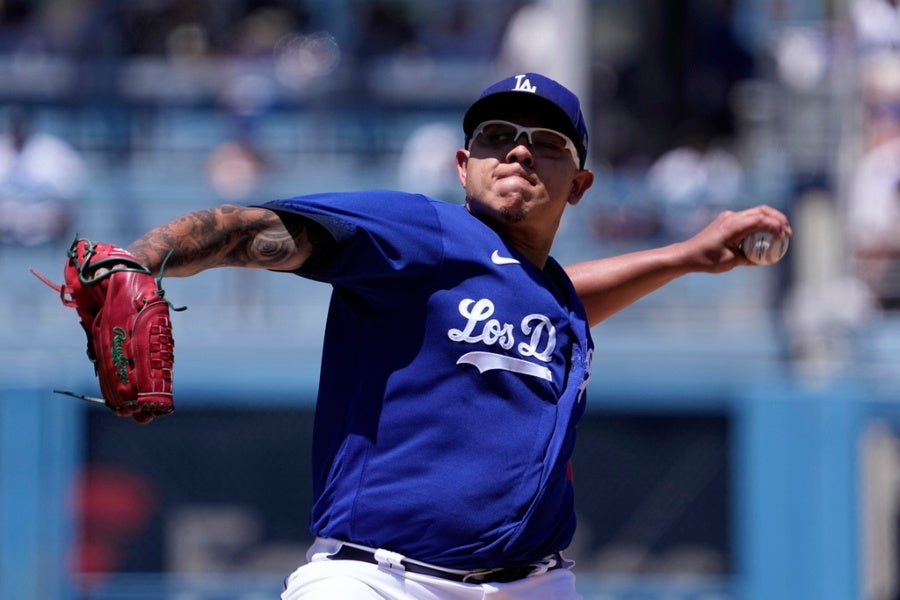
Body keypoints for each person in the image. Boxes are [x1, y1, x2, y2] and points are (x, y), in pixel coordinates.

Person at [118, 73, 790, 599]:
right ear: (463, 165)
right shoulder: (423, 235)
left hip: (531, 584)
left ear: (579, 185)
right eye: (499, 137)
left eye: (548, 144)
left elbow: (558, 299)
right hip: (379, 581)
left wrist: (685, 256)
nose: (520, 149)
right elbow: (250, 230)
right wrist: (140, 261)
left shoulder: (545, 296)